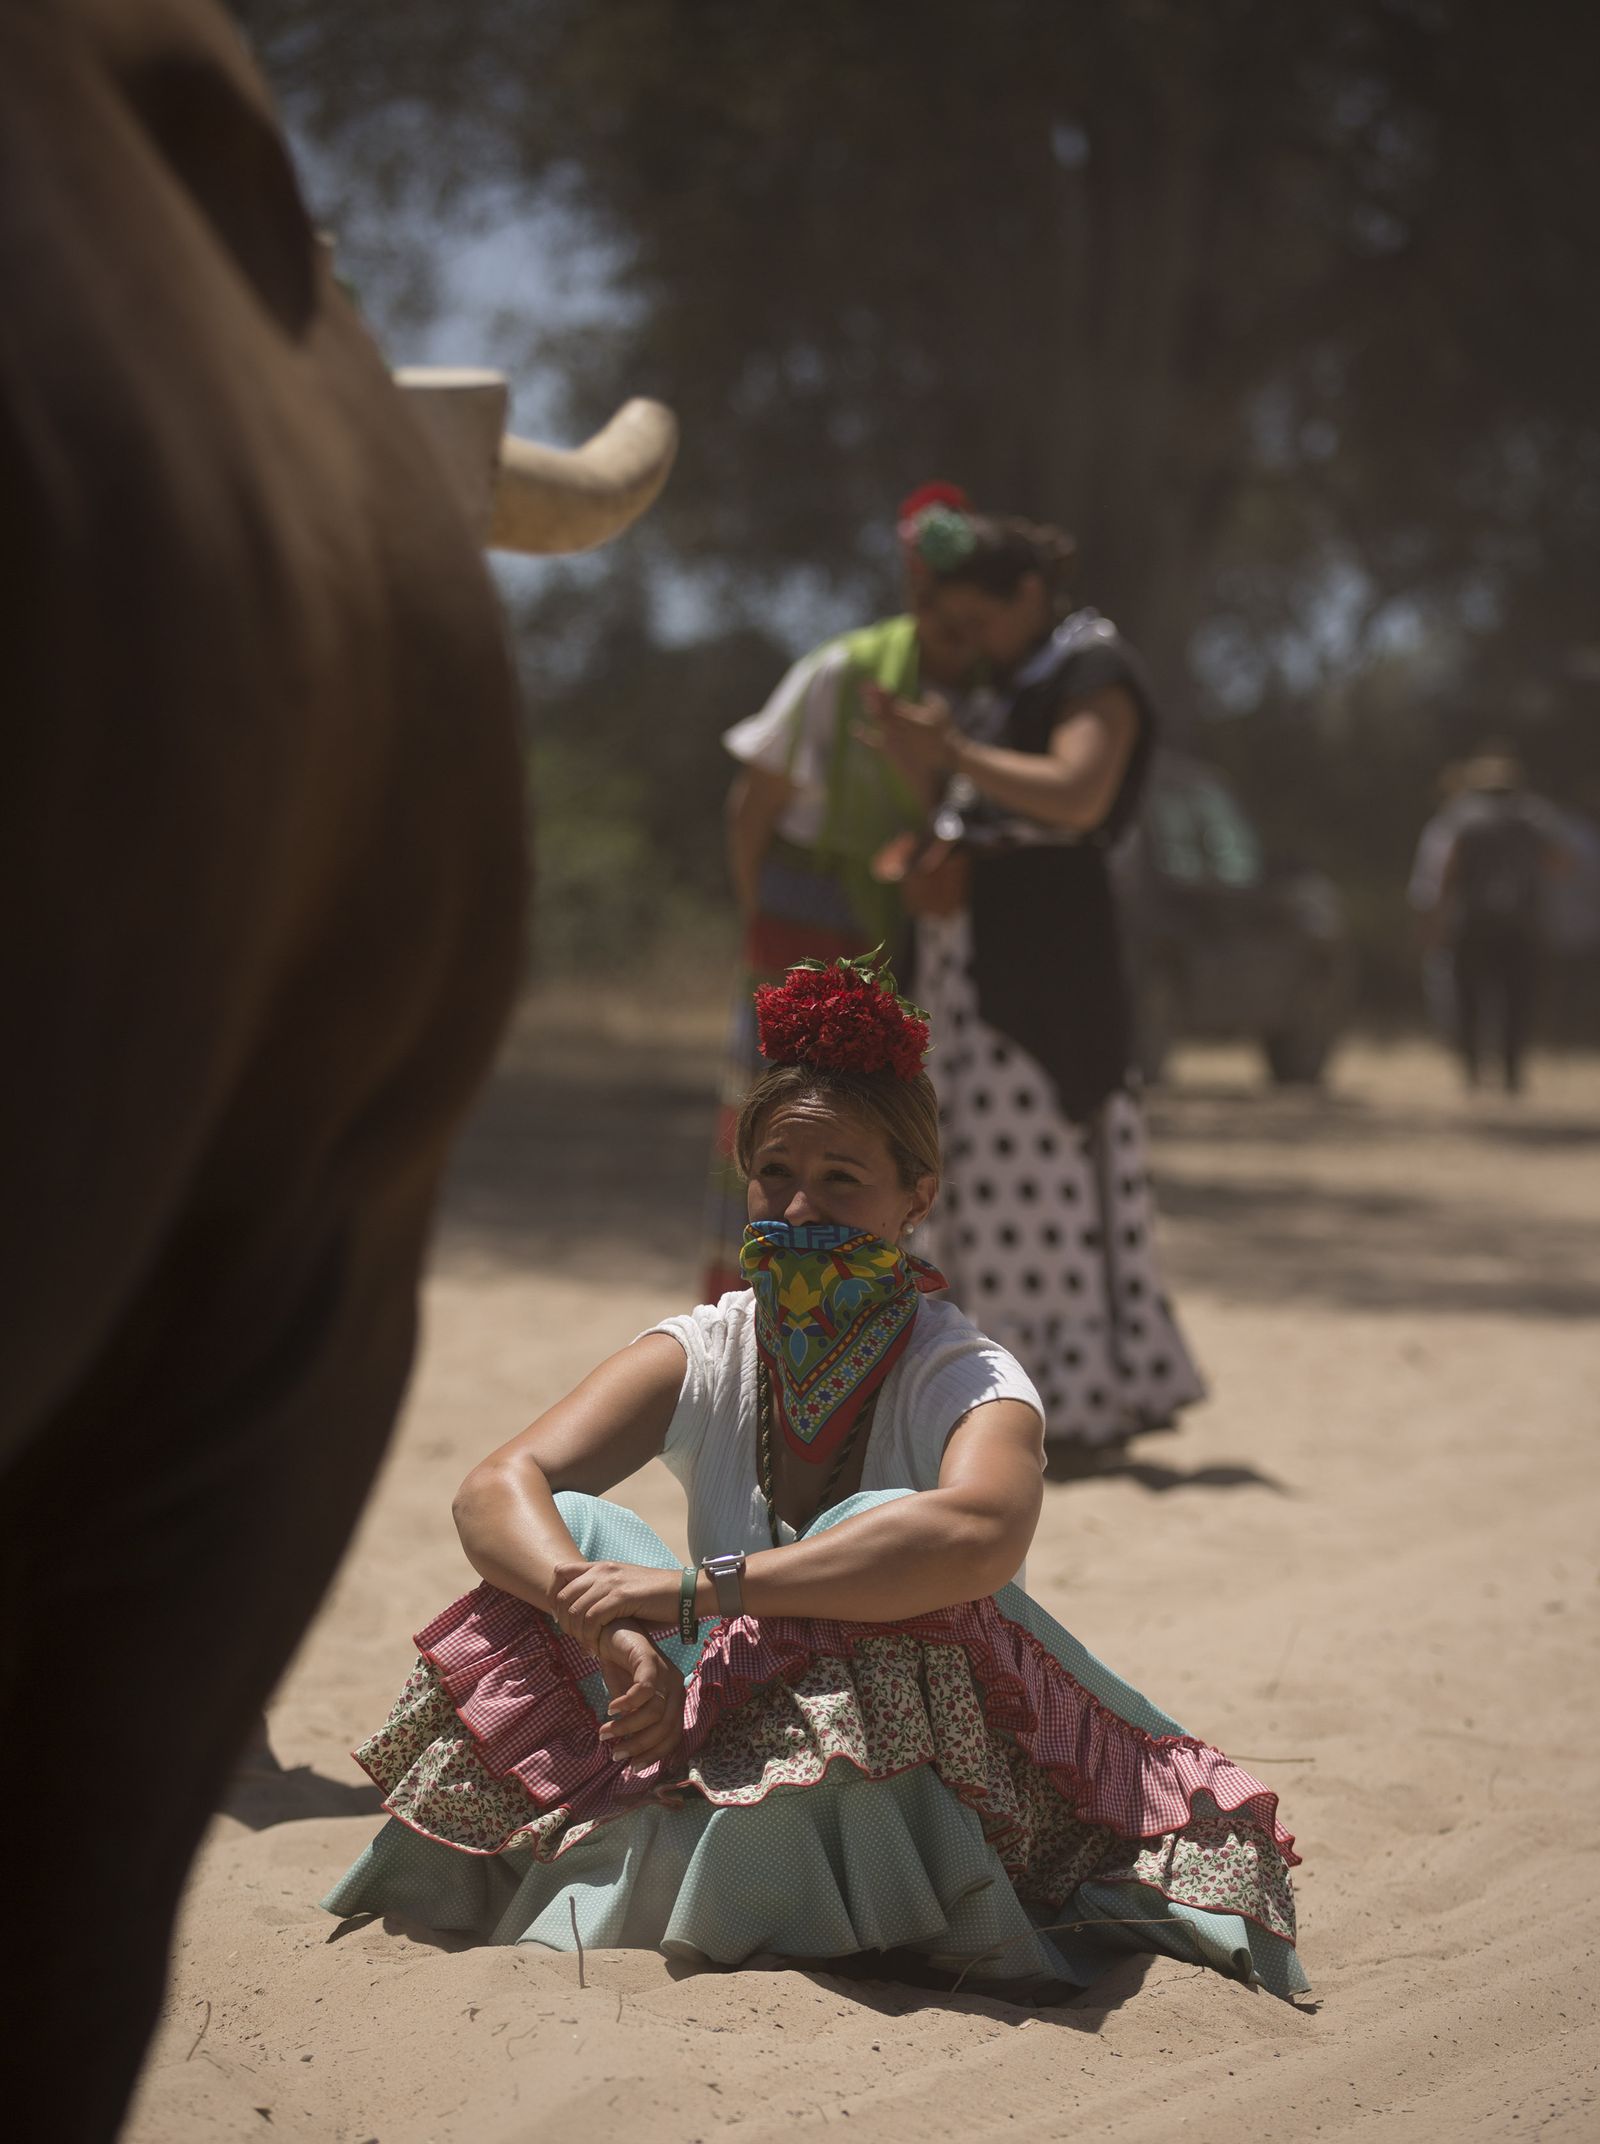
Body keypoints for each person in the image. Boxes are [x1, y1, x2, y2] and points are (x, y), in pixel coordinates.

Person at [323, 956, 1306, 2002]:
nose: (800, 1206)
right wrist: (609, 1627)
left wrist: (702, 1592)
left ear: (915, 1195)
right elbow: (497, 1485)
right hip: (704, 1706)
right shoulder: (710, 1347)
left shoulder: (962, 1369)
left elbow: (981, 1532)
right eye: (775, 1174)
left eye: (842, 1178)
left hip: (912, 1763)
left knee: (876, 1526)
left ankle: (800, 1890)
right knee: (568, 1530)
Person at [861, 507, 1205, 1460]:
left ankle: (1073, 1404)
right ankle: (971, 1405)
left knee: (1041, 1171)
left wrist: (955, 752)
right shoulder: (1011, 681)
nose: (968, 643)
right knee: (968, 1178)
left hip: (1045, 971)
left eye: (979, 619)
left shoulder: (1093, 671)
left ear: (1028, 595)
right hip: (975, 965)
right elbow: (969, 800)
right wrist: (914, 755)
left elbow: (1077, 792)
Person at [700, 483, 982, 1299]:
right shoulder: (840, 671)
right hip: (801, 921)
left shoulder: (987, 698)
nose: (948, 623)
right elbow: (752, 805)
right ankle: (747, 1315)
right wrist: (766, 928)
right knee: (772, 1124)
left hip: (908, 930)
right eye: (931, 599)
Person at [1412, 748, 1568, 1093]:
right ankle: (1512, 1072)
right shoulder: (1534, 816)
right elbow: (1559, 864)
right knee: (1518, 1000)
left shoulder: (1463, 817)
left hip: (1473, 925)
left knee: (1470, 998)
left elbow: (1445, 872)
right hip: (1523, 927)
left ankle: (1473, 1072)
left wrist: (1434, 919)